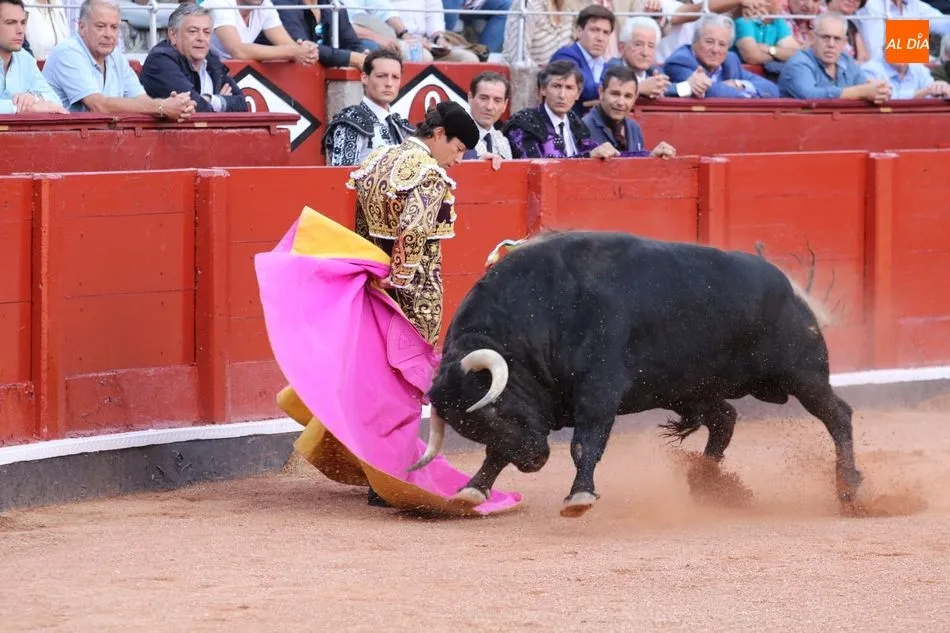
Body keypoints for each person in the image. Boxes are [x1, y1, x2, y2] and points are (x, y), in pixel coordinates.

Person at [346, 100, 479, 505]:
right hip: (413, 296)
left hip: (372, 287)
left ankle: (374, 471)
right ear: (438, 135)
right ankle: (390, 477)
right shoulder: (429, 174)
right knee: (406, 384)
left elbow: (360, 226)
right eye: (458, 148)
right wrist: (399, 279)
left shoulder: (380, 159)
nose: (458, 159)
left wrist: (373, 274)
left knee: (375, 381)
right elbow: (413, 232)